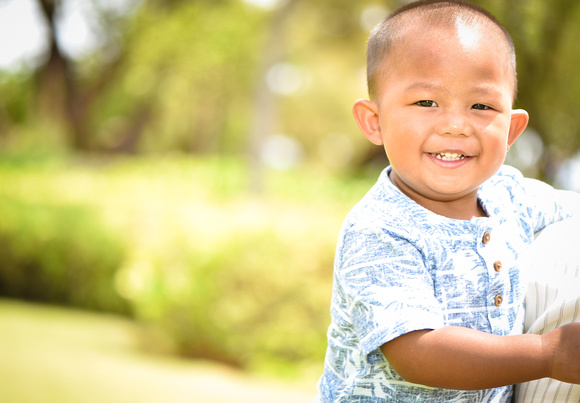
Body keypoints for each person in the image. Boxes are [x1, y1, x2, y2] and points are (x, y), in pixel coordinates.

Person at [315, 0, 580, 401]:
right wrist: (547, 353)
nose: (456, 125)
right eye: (426, 102)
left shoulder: (509, 194)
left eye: (481, 106)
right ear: (375, 121)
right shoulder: (380, 229)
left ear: (511, 129)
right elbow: (418, 353)